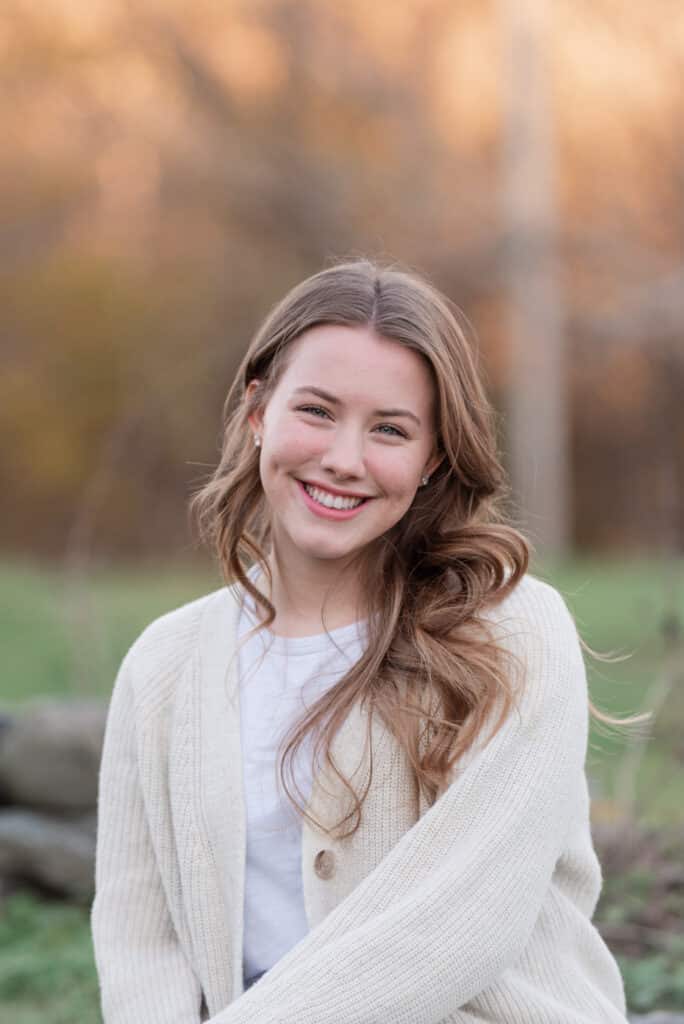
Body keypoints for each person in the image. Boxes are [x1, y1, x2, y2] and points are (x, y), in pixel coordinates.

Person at [91, 258, 639, 1023]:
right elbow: (138, 937)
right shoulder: (164, 663)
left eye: (389, 429)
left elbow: (457, 925)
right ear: (258, 412)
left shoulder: (512, 633)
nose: (344, 459)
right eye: (316, 410)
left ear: (432, 461)